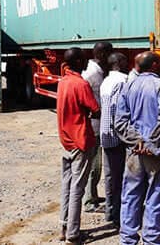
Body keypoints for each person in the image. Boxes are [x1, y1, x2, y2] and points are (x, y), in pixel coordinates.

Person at [114, 52, 160, 245]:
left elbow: (120, 121)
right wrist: (151, 143)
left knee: (130, 194)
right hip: (155, 151)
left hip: (134, 151)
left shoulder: (127, 86)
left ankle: (127, 239)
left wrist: (136, 140)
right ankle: (153, 240)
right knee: (155, 193)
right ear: (155, 65)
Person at [57, 47, 100, 244]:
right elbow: (95, 109)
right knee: (77, 188)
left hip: (65, 140)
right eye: (83, 59)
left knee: (67, 184)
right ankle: (73, 234)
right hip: (80, 140)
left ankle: (64, 226)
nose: (86, 62)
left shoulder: (63, 82)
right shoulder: (80, 84)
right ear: (77, 62)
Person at [81, 41, 113, 212]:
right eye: (109, 54)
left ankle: (92, 195)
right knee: (95, 163)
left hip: (98, 123)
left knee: (96, 162)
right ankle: (90, 202)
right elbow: (83, 98)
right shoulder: (92, 73)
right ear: (102, 55)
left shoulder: (97, 71)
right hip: (94, 125)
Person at [99, 52, 129, 227]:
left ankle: (111, 212)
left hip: (106, 135)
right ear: (119, 63)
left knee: (111, 177)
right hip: (117, 136)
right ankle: (118, 214)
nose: (128, 63)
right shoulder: (121, 82)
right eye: (125, 60)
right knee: (122, 177)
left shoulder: (106, 81)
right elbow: (119, 112)